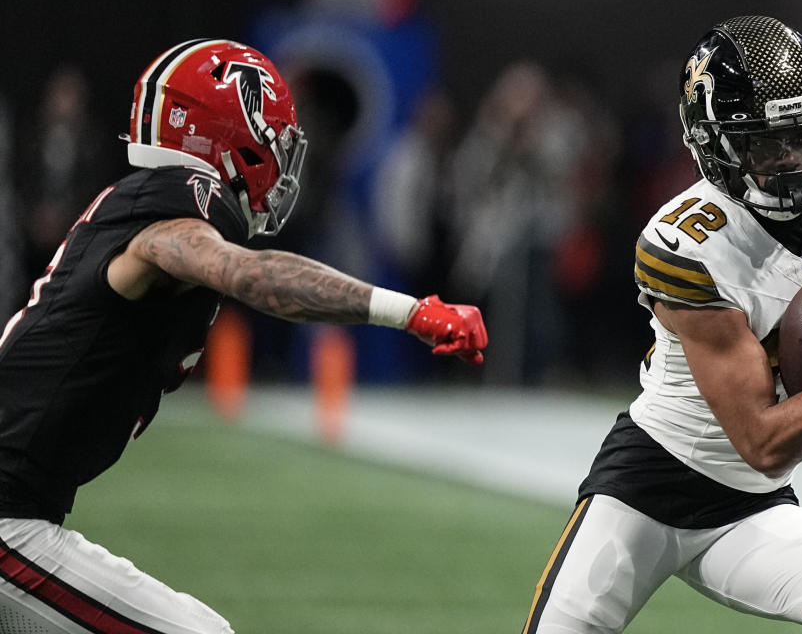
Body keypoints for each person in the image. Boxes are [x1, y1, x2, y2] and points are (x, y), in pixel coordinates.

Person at [0, 39, 487, 634]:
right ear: (230, 133)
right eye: (275, 140)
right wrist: (409, 311)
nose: (282, 162)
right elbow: (249, 273)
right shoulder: (169, 207)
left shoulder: (140, 205)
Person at [521, 16, 802, 634]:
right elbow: (763, 443)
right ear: (712, 146)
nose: (789, 161)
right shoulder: (688, 244)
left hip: (753, 506)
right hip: (650, 485)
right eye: (761, 144)